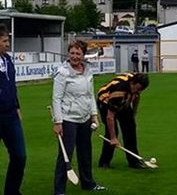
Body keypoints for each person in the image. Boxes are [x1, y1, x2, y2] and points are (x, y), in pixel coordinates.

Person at [52, 40, 106, 195]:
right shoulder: (62, 72)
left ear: (83, 55)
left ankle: (88, 183)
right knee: (65, 155)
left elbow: (90, 95)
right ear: (68, 54)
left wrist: (94, 115)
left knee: (85, 152)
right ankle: (59, 191)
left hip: (84, 119)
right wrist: (58, 122)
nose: (74, 56)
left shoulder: (88, 70)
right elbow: (56, 98)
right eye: (72, 53)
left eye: (78, 53)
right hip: (68, 119)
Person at [97, 73, 149, 169]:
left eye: (140, 90)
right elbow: (110, 117)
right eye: (137, 89)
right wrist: (113, 138)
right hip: (105, 101)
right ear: (132, 83)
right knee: (112, 131)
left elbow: (136, 97)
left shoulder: (136, 87)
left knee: (130, 127)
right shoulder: (119, 92)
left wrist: (133, 114)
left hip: (124, 99)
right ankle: (104, 162)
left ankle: (134, 161)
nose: (138, 92)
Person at [0, 24, 26, 195]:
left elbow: (12, 86)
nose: (8, 44)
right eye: (4, 41)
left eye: (7, 40)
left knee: (19, 156)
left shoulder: (8, 59)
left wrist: (16, 106)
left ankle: (12, 191)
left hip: (10, 116)